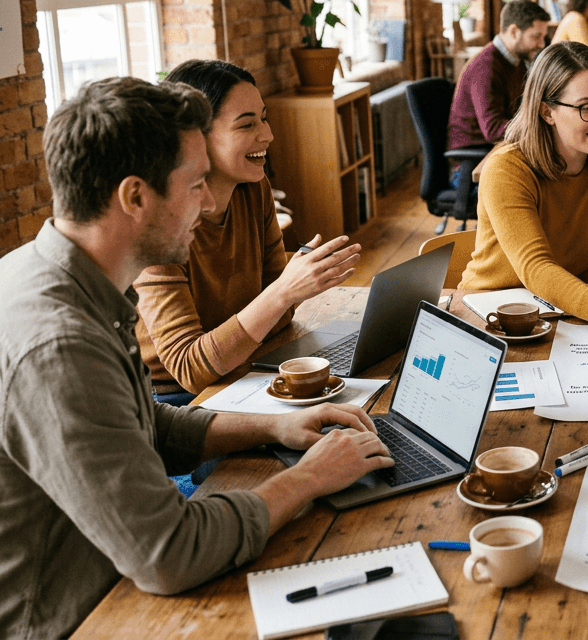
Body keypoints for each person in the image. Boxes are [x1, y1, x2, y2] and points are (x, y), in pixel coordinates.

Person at [0, 77, 392, 639]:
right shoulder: (59, 345)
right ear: (134, 197)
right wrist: (307, 479)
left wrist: (277, 428)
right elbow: (170, 552)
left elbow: (144, 423)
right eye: (195, 184)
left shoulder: (57, 275)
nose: (209, 203)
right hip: (84, 616)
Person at [135, 60, 363, 399]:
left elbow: (280, 318)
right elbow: (189, 370)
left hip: (247, 364)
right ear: (195, 139)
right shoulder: (156, 225)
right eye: (247, 125)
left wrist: (293, 287)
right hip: (175, 399)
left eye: (264, 117)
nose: (267, 134)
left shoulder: (254, 190)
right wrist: (285, 290)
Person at [460, 42, 588, 342]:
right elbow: (537, 268)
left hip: (566, 315)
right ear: (546, 111)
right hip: (491, 320)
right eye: (587, 107)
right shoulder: (506, 168)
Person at [448, 0, 550, 152]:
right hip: (475, 153)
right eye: (536, 36)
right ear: (514, 31)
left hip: (499, 146)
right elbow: (493, 129)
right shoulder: (486, 67)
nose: (542, 44)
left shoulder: (518, 61)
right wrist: (540, 130)